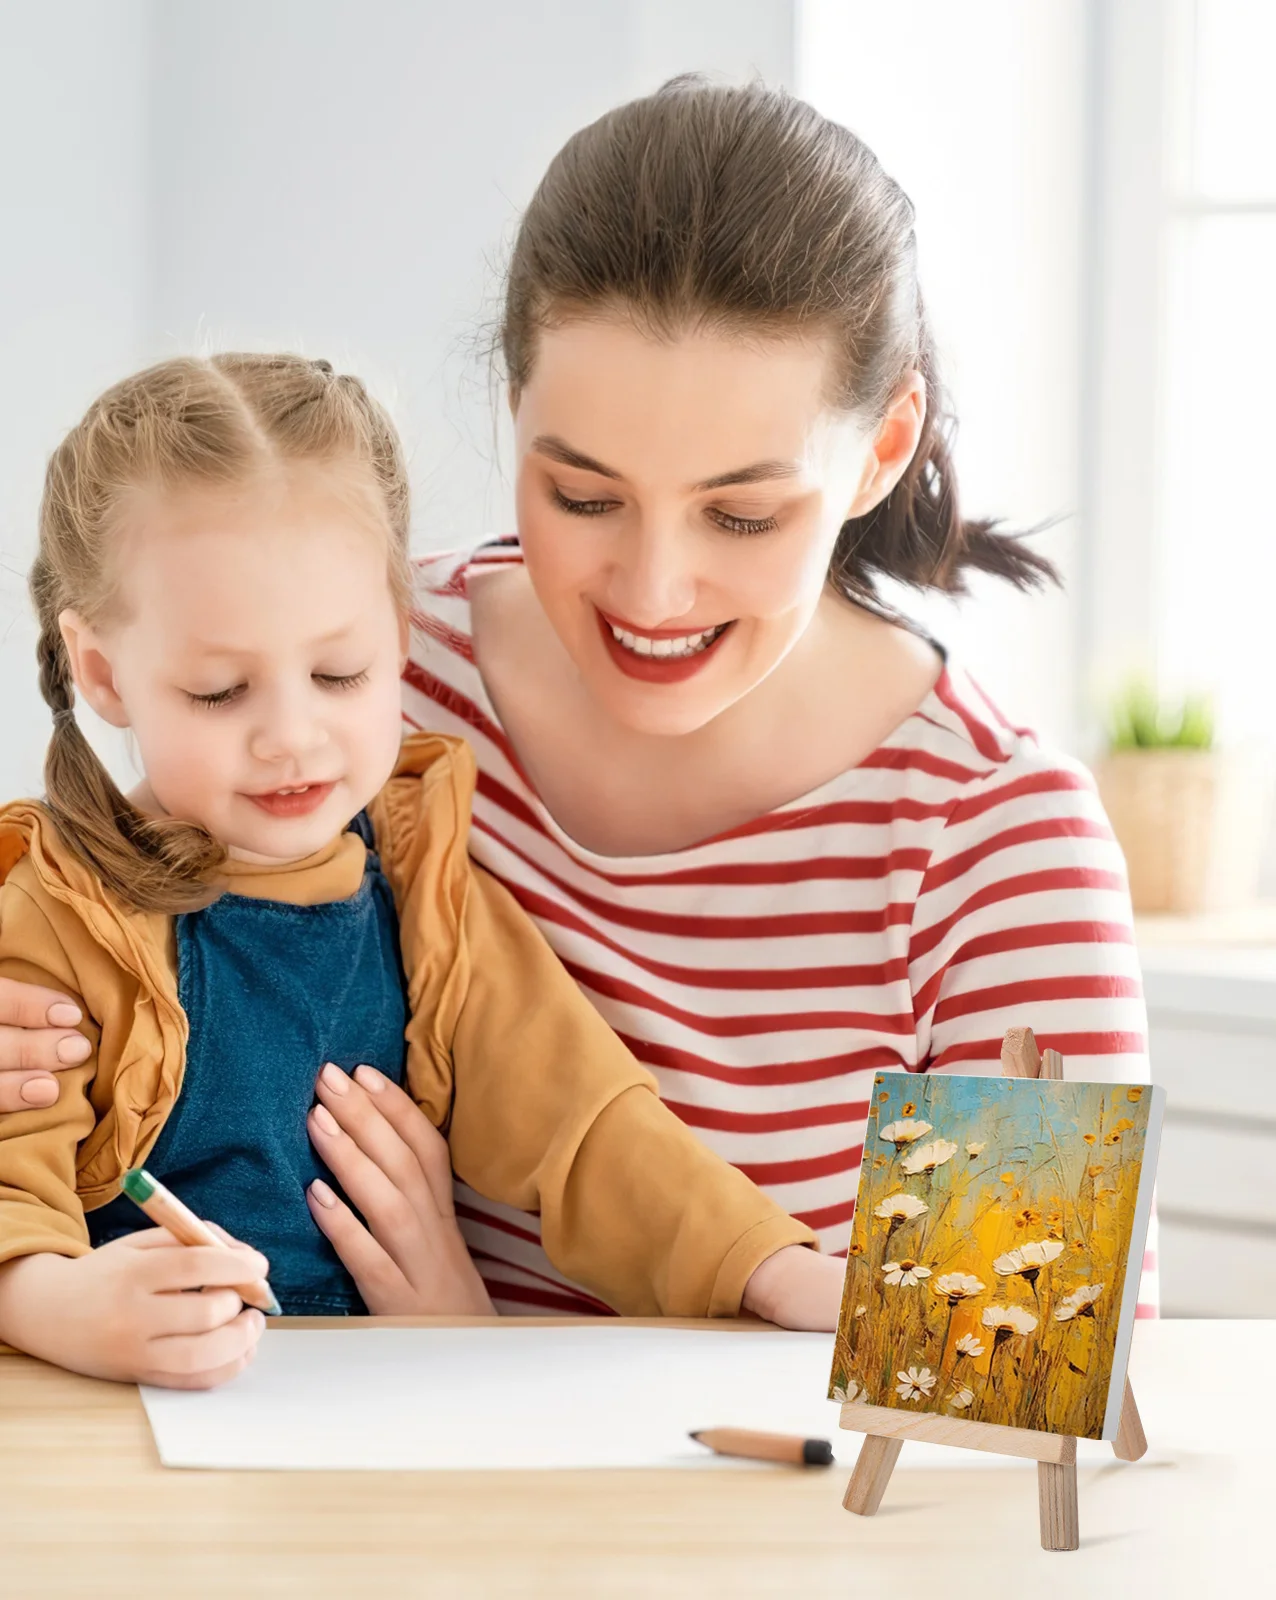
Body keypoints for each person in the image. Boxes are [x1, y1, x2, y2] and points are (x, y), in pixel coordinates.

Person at [0, 80, 1157, 1319]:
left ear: (880, 447)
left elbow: (1013, 1394)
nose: (653, 592)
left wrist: (463, 1342)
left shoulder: (996, 845)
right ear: (517, 415)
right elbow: (107, 901)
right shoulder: (373, 681)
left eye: (742, 514)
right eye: (584, 497)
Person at [0, 352, 834, 1389]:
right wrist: (56, 1303)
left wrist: (764, 1264)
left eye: (339, 673)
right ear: (102, 673)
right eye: (220, 691)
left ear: (399, 636)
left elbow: (582, 1121)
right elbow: (13, 1173)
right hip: (126, 1426)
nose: (290, 738)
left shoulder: (424, 888)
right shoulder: (60, 910)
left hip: (369, 1424)